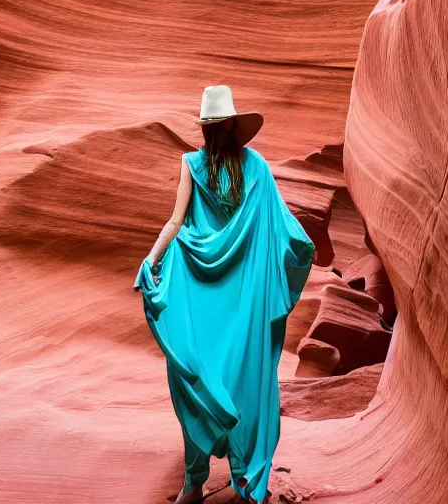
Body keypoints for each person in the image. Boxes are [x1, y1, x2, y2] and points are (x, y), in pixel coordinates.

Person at [134, 85, 316, 504]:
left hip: (199, 294)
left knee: (196, 377)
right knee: (247, 382)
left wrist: (152, 260)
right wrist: (299, 253)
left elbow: (175, 222)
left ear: (205, 128)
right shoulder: (258, 170)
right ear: (234, 126)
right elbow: (290, 235)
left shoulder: (191, 165)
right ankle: (249, 481)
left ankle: (194, 482)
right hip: (245, 298)